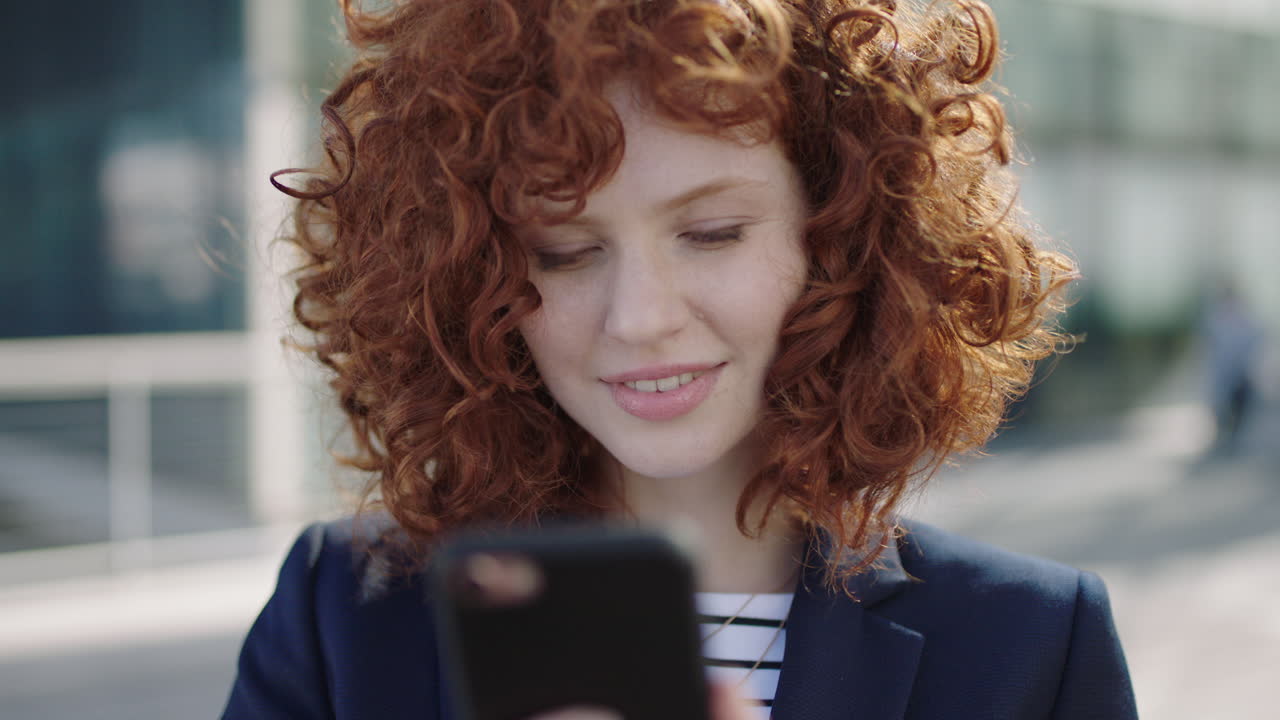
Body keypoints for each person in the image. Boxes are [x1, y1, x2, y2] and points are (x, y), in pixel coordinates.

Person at [223, 0, 1137, 718]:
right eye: (565, 252)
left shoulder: (1029, 645)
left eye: (710, 233)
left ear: (843, 237)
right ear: (472, 279)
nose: (642, 318)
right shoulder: (344, 615)